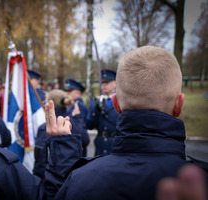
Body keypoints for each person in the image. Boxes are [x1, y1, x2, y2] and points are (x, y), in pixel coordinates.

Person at [46, 46, 208, 200]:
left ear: (116, 104)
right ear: (179, 105)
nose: (103, 85)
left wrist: (62, 160)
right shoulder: (200, 183)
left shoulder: (78, 180)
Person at [33, 89, 89, 179]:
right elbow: (86, 140)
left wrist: (38, 177)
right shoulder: (73, 120)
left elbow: (41, 159)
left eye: (45, 101)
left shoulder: (46, 128)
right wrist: (79, 119)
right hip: (77, 176)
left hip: (53, 177)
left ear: (49, 104)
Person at [86, 69, 119, 156]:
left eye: (107, 83)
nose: (104, 85)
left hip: (116, 142)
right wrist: (94, 111)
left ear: (115, 83)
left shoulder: (121, 100)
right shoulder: (96, 101)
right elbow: (89, 126)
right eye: (102, 83)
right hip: (100, 143)